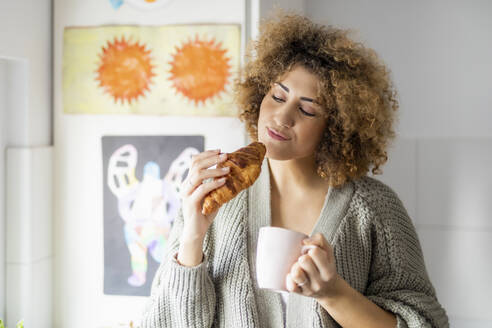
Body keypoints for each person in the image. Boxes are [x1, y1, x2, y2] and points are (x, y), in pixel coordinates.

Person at [140, 12, 449, 328]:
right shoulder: (217, 195)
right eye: (277, 96)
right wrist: (193, 233)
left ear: (336, 128)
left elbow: (426, 324)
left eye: (307, 109)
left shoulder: (374, 209)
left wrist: (332, 293)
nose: (282, 117)